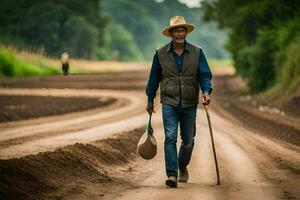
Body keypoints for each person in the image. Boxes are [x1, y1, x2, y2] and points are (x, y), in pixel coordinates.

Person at [145, 16, 212, 188]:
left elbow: (205, 75)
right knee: (170, 138)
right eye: (176, 30)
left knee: (188, 140)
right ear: (171, 34)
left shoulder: (197, 52)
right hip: (169, 102)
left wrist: (206, 92)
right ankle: (172, 174)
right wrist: (150, 98)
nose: (180, 33)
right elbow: (153, 78)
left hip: (190, 103)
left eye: (182, 30)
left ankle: (182, 165)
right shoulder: (160, 53)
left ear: (186, 32)